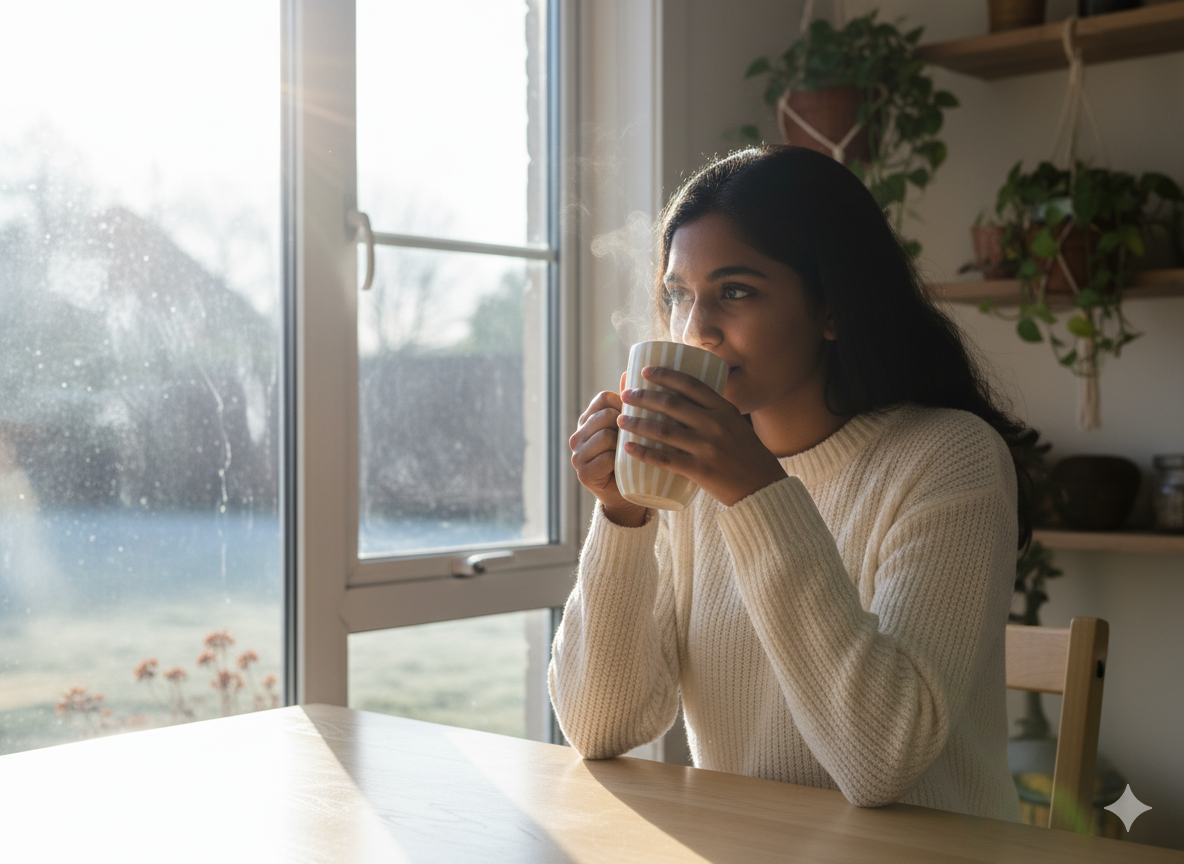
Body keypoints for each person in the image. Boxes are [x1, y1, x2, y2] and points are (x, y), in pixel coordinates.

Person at [551, 145, 1029, 822]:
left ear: (832, 307)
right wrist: (623, 517)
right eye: (678, 294)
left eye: (736, 292)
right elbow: (601, 727)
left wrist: (756, 492)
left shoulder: (949, 456)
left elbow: (881, 759)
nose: (696, 330)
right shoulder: (688, 475)